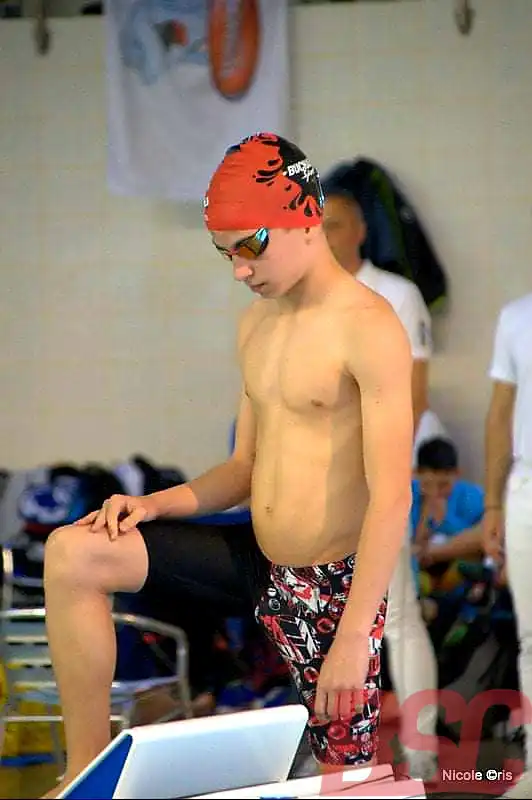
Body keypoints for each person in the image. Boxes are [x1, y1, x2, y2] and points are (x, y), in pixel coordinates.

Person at [42, 132, 413, 798]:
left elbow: (392, 496)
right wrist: (154, 505)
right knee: (75, 553)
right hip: (255, 558)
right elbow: (243, 468)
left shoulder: (370, 326)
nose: (240, 270)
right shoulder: (257, 325)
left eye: (251, 246)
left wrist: (356, 634)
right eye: (226, 254)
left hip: (331, 589)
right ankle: (86, 779)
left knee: (349, 786)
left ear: (304, 217)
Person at [321, 177, 440, 779]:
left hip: (380, 479)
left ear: (361, 231)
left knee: (395, 618)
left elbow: (414, 397)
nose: (325, 236)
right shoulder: (307, 299)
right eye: (317, 226)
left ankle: (422, 756)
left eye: (336, 224)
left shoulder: (395, 294)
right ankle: (346, 763)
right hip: (324, 489)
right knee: (328, 621)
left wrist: (378, 473)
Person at [483, 292, 532, 798]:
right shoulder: (516, 316)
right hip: (525, 487)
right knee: (531, 637)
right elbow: (499, 415)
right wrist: (493, 505)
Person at [411, 437, 485, 627]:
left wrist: (445, 521)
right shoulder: (408, 496)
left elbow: (484, 537)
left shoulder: (471, 496)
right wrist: (425, 514)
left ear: (457, 474)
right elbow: (408, 545)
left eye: (443, 485)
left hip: (456, 573)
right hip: (420, 576)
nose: (435, 492)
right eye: (428, 485)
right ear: (415, 474)